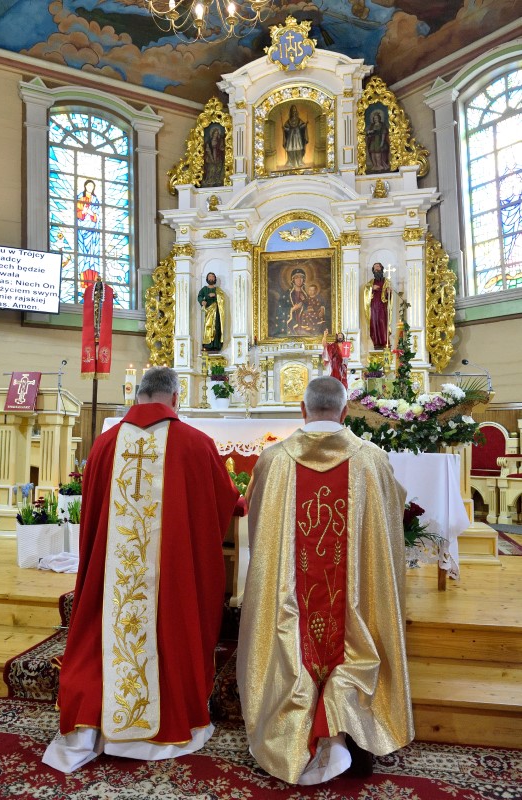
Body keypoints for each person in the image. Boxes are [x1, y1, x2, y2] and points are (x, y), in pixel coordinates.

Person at [43, 367, 240, 773]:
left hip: (113, 577)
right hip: (171, 577)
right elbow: (221, 501)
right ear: (175, 398)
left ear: (137, 395)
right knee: (170, 621)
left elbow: (91, 519)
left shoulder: (105, 444)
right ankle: (164, 718)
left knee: (110, 623)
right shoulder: (196, 444)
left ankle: (96, 718)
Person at [237, 376, 413, 785]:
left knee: (291, 633)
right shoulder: (372, 460)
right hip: (351, 607)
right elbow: (389, 533)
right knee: (355, 631)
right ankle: (347, 724)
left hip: (292, 602)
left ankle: (293, 729)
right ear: (345, 411)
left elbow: (258, 528)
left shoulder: (273, 460)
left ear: (303, 410)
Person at [363, 262, 393, 350]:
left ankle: (385, 342)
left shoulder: (386, 281)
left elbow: (389, 297)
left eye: (378, 267)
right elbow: (366, 291)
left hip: (382, 306)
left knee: (382, 323)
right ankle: (376, 342)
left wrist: (389, 292)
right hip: (373, 307)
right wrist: (371, 288)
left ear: (381, 269)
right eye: (375, 267)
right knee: (374, 323)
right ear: (373, 270)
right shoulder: (371, 282)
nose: (376, 268)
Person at [76, 179, 101, 275]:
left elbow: (97, 216)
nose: (90, 187)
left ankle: (93, 277)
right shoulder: (80, 198)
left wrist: (91, 213)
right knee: (83, 254)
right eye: (89, 185)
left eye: (92, 186)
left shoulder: (95, 200)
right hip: (82, 228)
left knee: (92, 254)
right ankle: (83, 276)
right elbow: (77, 213)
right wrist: (83, 212)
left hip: (92, 230)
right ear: (85, 186)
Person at [198, 271, 225, 351]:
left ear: (215, 279)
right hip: (208, 311)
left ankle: (216, 345)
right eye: (209, 277)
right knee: (208, 326)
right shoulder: (204, 289)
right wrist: (202, 301)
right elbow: (199, 296)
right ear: (207, 278)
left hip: (216, 311)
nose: (211, 278)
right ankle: (207, 344)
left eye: (212, 277)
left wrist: (215, 295)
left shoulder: (217, 289)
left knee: (216, 327)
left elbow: (222, 297)